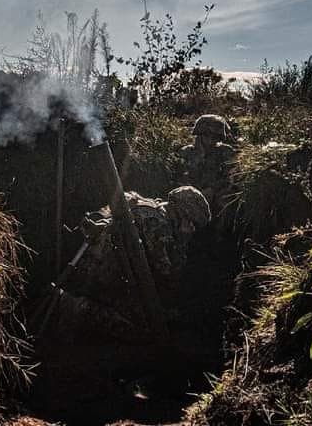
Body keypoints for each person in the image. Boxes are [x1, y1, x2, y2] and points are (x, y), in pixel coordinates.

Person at [44, 186, 210, 340]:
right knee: (140, 327)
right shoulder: (158, 224)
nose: (192, 229)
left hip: (98, 269)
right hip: (101, 279)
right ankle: (71, 306)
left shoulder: (147, 207)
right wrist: (182, 242)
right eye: (192, 223)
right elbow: (166, 275)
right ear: (183, 213)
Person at [180, 114, 239, 214]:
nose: (211, 140)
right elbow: (180, 176)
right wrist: (193, 192)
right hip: (191, 194)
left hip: (217, 193)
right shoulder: (187, 152)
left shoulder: (226, 151)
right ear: (199, 135)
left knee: (226, 204)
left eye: (215, 137)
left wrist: (212, 189)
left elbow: (231, 176)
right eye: (206, 135)